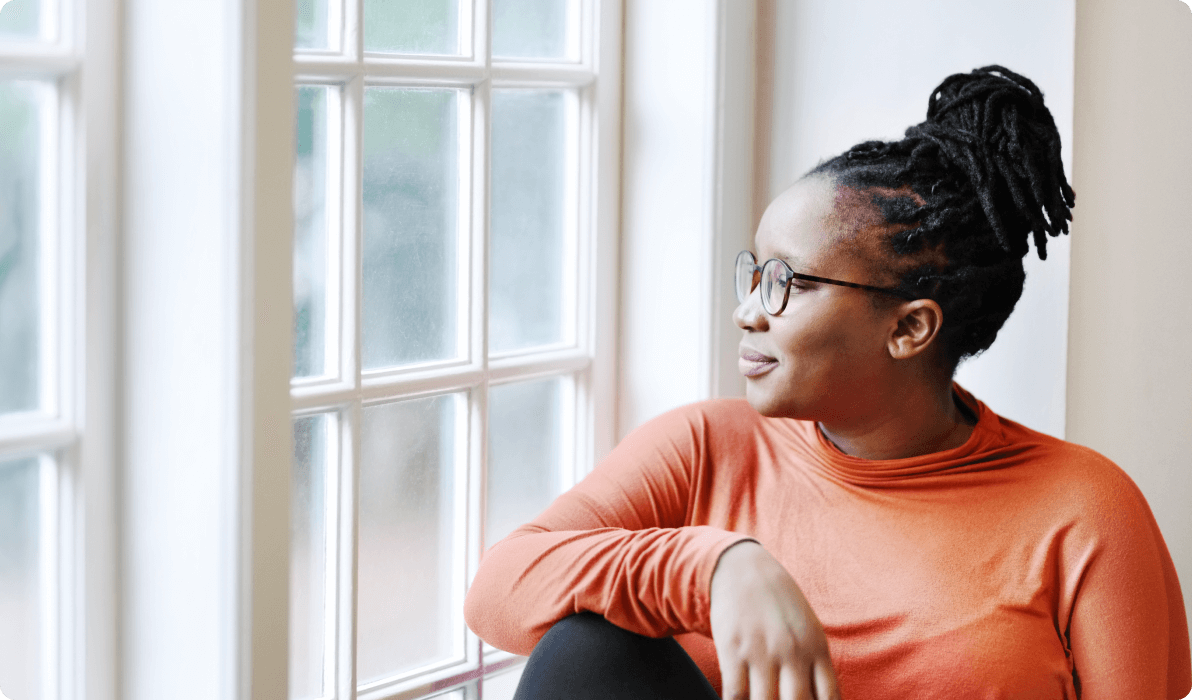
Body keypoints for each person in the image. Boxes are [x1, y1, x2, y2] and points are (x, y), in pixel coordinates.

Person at [463, 66, 1192, 700]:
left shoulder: (1084, 511)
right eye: (755, 272)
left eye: (789, 282)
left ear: (909, 329)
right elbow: (499, 588)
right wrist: (714, 565)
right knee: (588, 648)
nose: (749, 311)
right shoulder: (706, 448)